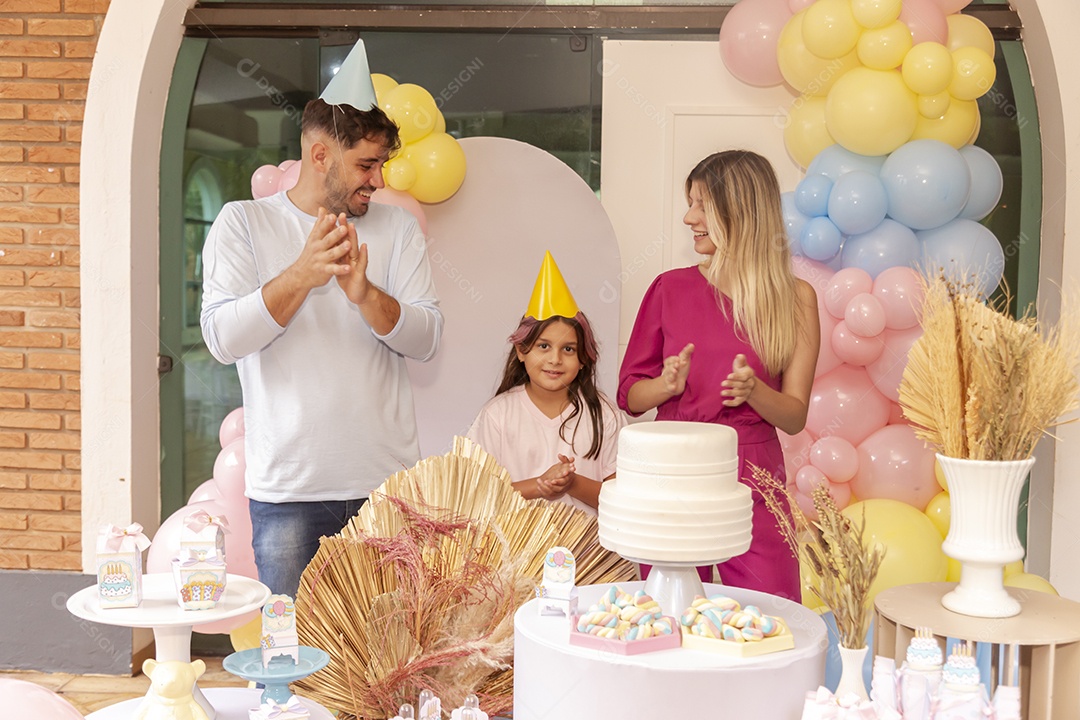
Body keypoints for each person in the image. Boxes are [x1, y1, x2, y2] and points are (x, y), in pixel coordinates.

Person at [200, 40, 443, 597]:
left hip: (386, 488)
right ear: (319, 156)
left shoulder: (397, 230)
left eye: (381, 164)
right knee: (292, 660)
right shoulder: (243, 224)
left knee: (389, 657)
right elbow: (221, 339)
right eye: (366, 164)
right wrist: (302, 275)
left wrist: (365, 295)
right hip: (288, 492)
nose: (378, 180)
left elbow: (427, 339)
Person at [618, 150, 820, 599]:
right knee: (670, 615)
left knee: (771, 614)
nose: (689, 217)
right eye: (690, 202)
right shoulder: (669, 288)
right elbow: (630, 398)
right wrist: (665, 387)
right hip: (674, 470)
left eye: (702, 204)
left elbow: (793, 416)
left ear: (741, 211)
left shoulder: (796, 298)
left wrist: (754, 392)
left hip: (754, 475)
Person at [468, 252, 625, 514]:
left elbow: (622, 501)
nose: (555, 359)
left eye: (568, 349)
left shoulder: (605, 415)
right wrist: (540, 485)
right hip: (516, 551)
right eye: (543, 346)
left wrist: (571, 483)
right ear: (521, 350)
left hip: (588, 552)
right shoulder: (497, 416)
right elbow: (476, 496)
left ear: (583, 358)